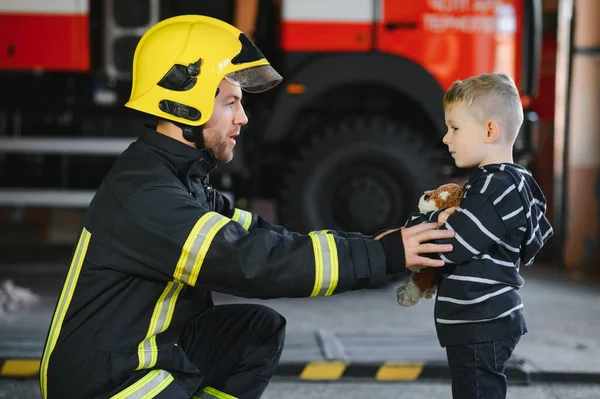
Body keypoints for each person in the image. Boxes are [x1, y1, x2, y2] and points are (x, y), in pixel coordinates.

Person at [39, 15, 455, 399]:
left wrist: (378, 247)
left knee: (256, 331)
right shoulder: (147, 193)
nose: (243, 118)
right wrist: (379, 256)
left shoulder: (182, 179)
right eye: (230, 103)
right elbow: (250, 261)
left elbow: (263, 237)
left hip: (146, 353)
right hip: (108, 382)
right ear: (183, 104)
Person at [404, 72, 553, 399]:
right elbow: (532, 240)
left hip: (480, 323)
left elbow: (451, 245)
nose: (446, 138)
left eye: (454, 128)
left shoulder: (493, 187)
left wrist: (421, 222)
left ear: (489, 130)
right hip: (487, 321)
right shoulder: (514, 181)